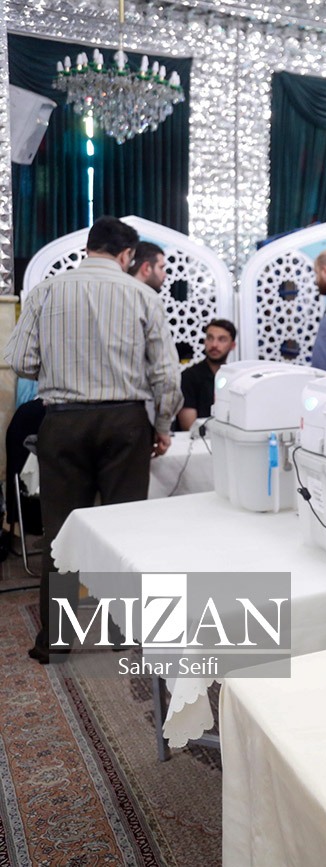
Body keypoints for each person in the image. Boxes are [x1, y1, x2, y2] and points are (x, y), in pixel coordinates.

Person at [5, 216, 182, 663]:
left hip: (63, 422)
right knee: (125, 530)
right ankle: (122, 631)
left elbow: (19, 360)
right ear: (127, 255)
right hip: (126, 424)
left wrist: (59, 365)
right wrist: (162, 426)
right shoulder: (143, 295)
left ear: (89, 247)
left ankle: (55, 641)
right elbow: (166, 375)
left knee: (63, 534)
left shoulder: (46, 291)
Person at [176, 318, 237, 431]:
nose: (214, 344)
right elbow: (189, 425)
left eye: (221, 339)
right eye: (210, 338)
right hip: (196, 440)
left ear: (232, 345)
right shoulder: (189, 376)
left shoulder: (234, 378)